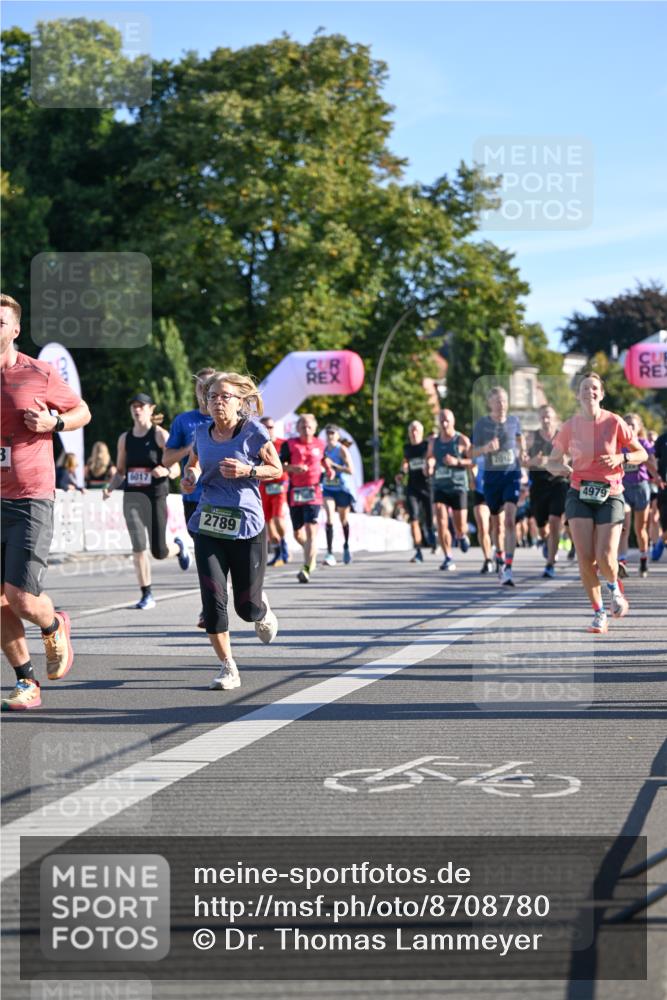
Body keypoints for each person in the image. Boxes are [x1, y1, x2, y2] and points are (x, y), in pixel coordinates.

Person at [1, 293, 91, 711]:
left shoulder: (39, 372)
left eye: (0, 322)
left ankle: (54, 624)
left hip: (29, 497)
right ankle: (26, 682)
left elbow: (82, 412)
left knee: (19, 598)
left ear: (15, 329)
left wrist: (55, 422)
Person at [181, 371, 281, 690]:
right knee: (213, 598)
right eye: (213, 397)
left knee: (246, 608)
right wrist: (190, 476)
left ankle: (260, 607)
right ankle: (228, 667)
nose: (218, 402)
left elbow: (276, 469)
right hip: (209, 522)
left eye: (225, 396)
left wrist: (248, 470)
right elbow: (193, 463)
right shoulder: (200, 432)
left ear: (240, 401)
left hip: (247, 525)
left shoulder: (252, 431)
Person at [546, 372, 648, 634]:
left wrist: (620, 460)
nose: (589, 392)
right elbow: (552, 461)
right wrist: (563, 467)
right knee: (585, 557)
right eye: (584, 388)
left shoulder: (614, 422)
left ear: (601, 394)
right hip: (579, 492)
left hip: (611, 494)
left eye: (594, 388)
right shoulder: (570, 426)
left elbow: (642, 453)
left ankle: (615, 590)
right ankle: (599, 613)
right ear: (578, 395)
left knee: (604, 556)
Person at [103, 392, 190, 610]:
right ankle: (146, 594)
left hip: (155, 496)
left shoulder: (160, 435)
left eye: (141, 405)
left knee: (159, 551)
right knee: (138, 546)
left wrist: (166, 470)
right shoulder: (125, 438)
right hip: (132, 496)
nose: (137, 409)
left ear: (151, 409)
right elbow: (121, 470)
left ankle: (178, 548)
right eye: (134, 405)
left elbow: (177, 466)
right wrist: (110, 487)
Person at [162, 368, 215, 625]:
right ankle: (211, 604)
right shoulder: (184, 421)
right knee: (205, 553)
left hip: (221, 498)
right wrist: (191, 447)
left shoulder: (228, 419)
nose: (205, 392)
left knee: (215, 555)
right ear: (195, 391)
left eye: (210, 387)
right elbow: (166, 459)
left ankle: (212, 605)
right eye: (200, 387)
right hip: (193, 497)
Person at [472, 386, 526, 587]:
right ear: (490, 403)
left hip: (511, 475)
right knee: (496, 524)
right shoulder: (482, 425)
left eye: (504, 400)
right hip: (492, 479)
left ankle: (509, 566)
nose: (502, 405)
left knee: (510, 520)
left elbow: (520, 439)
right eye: (497, 401)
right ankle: (499, 554)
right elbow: (471, 452)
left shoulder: (514, 421)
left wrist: (524, 452)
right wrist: (485, 448)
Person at [280, 414, 333, 583]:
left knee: (311, 531)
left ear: (315, 428)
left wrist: (329, 470)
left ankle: (306, 568)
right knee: (298, 534)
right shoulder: (289, 445)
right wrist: (292, 468)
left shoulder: (320, 444)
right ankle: (311, 552)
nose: (306, 428)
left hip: (314, 492)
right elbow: (279, 465)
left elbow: (325, 460)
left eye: (309, 425)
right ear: (297, 428)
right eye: (302, 425)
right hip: (295, 492)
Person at [527, 404, 570, 579]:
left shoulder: (563, 436)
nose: (546, 420)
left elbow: (568, 460)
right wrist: (533, 461)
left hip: (558, 483)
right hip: (539, 486)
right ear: (539, 418)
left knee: (555, 521)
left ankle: (550, 564)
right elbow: (523, 462)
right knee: (542, 527)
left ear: (555, 418)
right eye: (543, 416)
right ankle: (546, 542)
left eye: (549, 416)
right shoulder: (532, 437)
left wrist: (551, 461)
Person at [427, 409, 471, 571]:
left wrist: (456, 461)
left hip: (458, 486)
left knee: (460, 525)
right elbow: (429, 458)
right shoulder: (434, 442)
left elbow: (473, 460)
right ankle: (448, 557)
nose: (444, 424)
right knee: (441, 519)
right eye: (441, 421)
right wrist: (429, 466)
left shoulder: (461, 440)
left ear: (453, 421)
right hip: (440, 486)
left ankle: (461, 535)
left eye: (447, 421)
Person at [618, 413, 655, 579]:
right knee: (623, 526)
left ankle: (643, 559)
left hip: (641, 487)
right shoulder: (618, 444)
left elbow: (652, 463)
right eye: (627, 424)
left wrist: (657, 476)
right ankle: (622, 562)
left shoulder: (643, 443)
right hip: (623, 487)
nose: (630, 428)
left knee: (640, 529)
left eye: (633, 425)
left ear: (639, 428)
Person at [400, 420, 435, 564]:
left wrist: (430, 465)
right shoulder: (407, 448)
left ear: (421, 432)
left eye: (416, 430)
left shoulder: (426, 446)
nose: (414, 433)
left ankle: (432, 537)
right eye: (411, 431)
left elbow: (432, 458)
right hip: (412, 487)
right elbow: (405, 462)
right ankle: (419, 551)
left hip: (427, 486)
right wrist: (402, 472)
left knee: (429, 521)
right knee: (414, 519)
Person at [322, 425, 355, 566]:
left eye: (332, 433)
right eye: (327, 433)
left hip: (342, 488)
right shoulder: (323, 450)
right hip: (328, 488)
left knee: (343, 520)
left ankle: (346, 546)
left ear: (337, 436)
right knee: (329, 517)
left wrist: (334, 465)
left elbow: (350, 470)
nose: (329, 435)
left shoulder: (342, 449)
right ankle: (330, 553)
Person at [258, 416, 290, 566]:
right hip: (263, 486)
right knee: (268, 521)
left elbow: (291, 463)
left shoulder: (283, 444)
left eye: (270, 427)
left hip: (280, 485)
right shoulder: (255, 443)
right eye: (264, 427)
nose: (267, 430)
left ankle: (284, 547)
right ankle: (278, 552)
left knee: (278, 518)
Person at [470, 455, 494, 573]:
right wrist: (472, 478)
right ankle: (488, 559)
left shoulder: (502, 441)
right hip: (480, 491)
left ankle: (500, 554)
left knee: (499, 527)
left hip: (497, 489)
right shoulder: (478, 444)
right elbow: (472, 463)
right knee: (483, 527)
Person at [651, 425, 667, 561]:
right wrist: (655, 476)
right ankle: (662, 539)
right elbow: (651, 458)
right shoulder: (662, 440)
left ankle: (662, 540)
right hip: (664, 488)